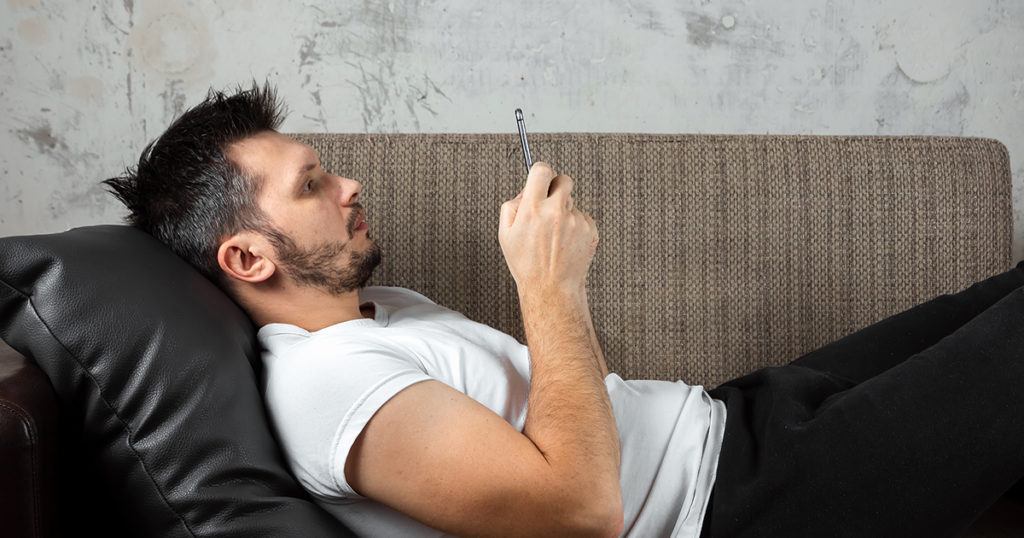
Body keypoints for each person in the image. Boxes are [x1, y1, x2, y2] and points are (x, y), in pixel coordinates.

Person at [104, 82, 1023, 537]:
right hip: (738, 505)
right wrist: (551, 287)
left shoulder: (374, 314)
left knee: (1000, 295)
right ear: (247, 257)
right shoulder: (324, 389)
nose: (348, 185)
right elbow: (580, 511)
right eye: (311, 184)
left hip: (736, 419)